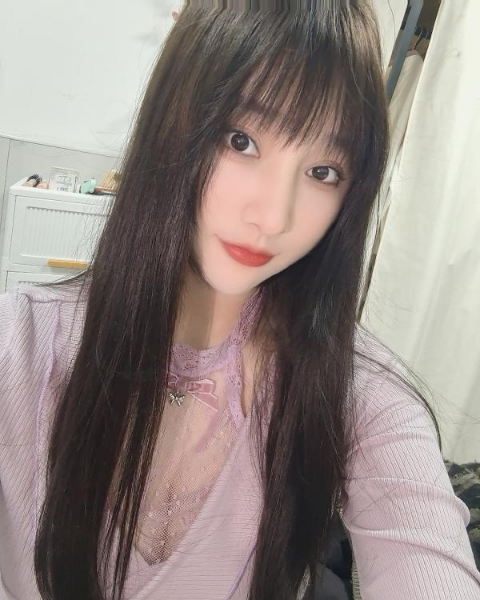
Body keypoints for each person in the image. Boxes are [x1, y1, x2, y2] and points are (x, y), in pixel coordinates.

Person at [0, 1, 479, 599]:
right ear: (172, 121)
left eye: (324, 172)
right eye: (242, 140)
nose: (275, 217)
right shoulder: (20, 344)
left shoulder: (354, 390)